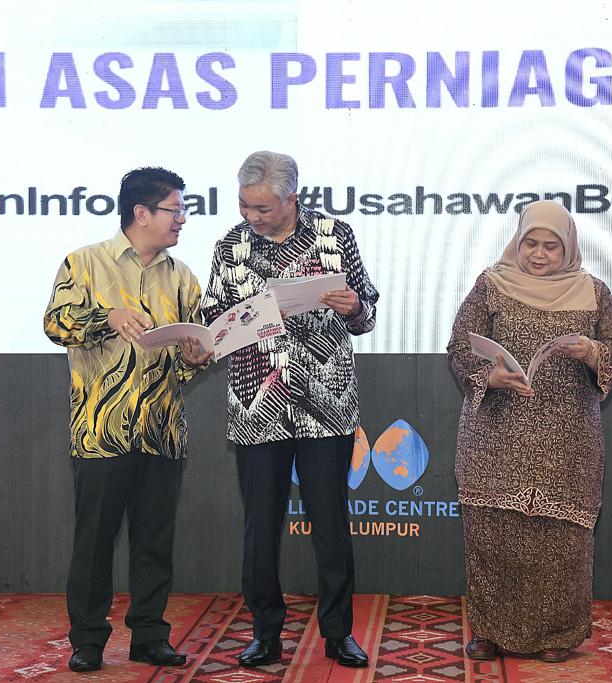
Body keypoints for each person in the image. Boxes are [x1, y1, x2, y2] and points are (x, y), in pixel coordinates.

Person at [201, 150, 379, 668]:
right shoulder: (230, 246)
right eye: (244, 205)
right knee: (261, 525)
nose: (251, 216)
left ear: (291, 199)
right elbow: (213, 317)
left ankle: (339, 633)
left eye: (262, 208)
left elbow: (366, 311)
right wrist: (226, 326)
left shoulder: (334, 235)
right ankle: (265, 632)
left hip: (326, 404)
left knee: (330, 522)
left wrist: (354, 307)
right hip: (256, 403)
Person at [447, 200, 612, 663]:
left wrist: (593, 352)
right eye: (530, 243)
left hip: (567, 436)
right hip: (496, 432)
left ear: (568, 246)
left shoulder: (592, 292)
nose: (538, 254)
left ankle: (557, 634)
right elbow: (459, 347)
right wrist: (488, 376)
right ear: (518, 240)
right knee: (494, 532)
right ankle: (489, 630)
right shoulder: (491, 284)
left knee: (560, 538)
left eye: (551, 246)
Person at [43, 167, 213, 673]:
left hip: (162, 430)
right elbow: (55, 323)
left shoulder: (183, 276)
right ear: (141, 213)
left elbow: (190, 356)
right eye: (175, 210)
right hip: (102, 430)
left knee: (154, 542)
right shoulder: (84, 263)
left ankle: (150, 635)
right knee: (94, 543)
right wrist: (107, 317)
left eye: (183, 210)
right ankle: (88, 639)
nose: (182, 219)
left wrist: (197, 356)